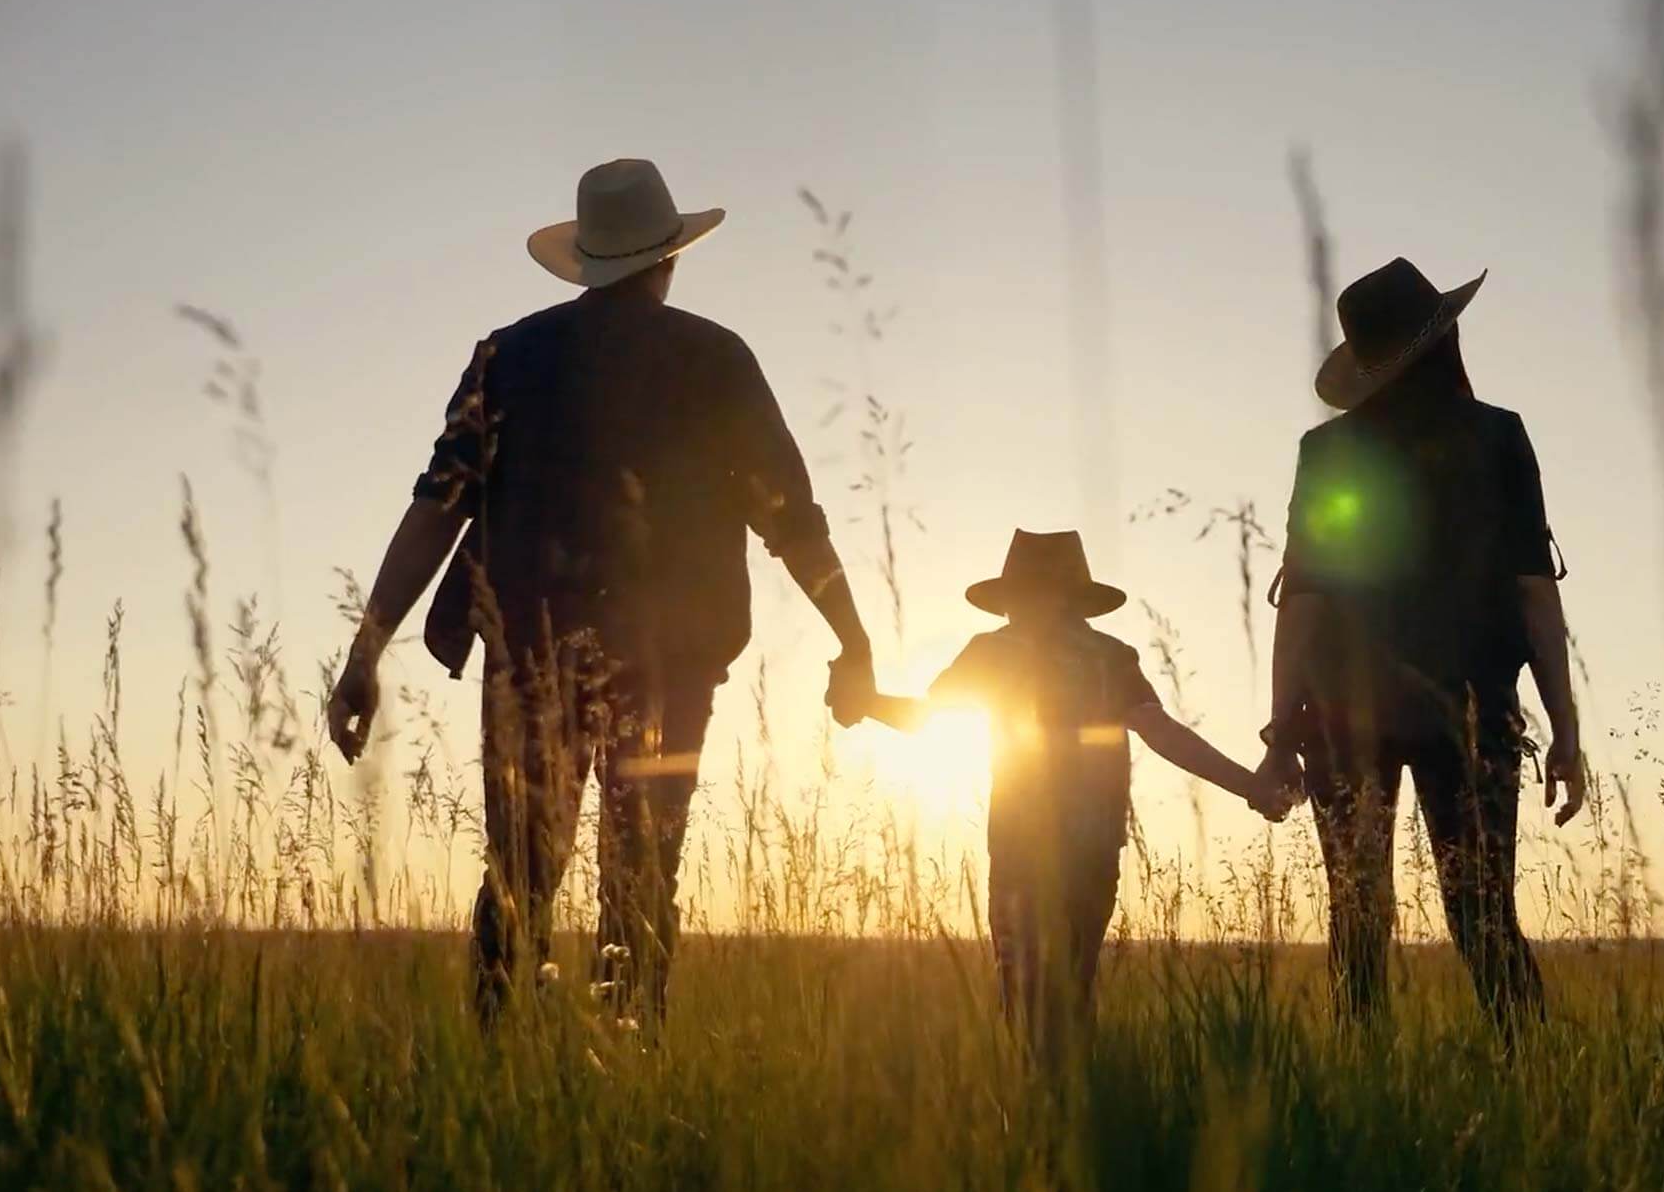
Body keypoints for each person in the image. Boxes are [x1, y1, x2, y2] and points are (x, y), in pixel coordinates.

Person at [325, 158, 876, 1030]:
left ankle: (501, 1074)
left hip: (529, 661)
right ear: (668, 259)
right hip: (671, 665)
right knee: (645, 876)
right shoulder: (716, 358)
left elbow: (438, 505)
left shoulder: (508, 356)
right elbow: (791, 518)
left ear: (589, 259)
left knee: (518, 874)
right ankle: (628, 1068)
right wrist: (855, 641)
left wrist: (365, 655)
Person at [1256, 258, 1585, 1034]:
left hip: (1343, 714)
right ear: (1445, 339)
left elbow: (1301, 600)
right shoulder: (1498, 436)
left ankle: (1363, 1093)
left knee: (1357, 919)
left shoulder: (1329, 451)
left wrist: (1279, 732)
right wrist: (1564, 729)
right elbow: (1536, 590)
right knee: (1483, 916)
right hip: (1469, 709)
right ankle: (1534, 1081)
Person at [844, 529, 1284, 1055]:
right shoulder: (1110, 656)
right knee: (1070, 991)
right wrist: (1249, 786)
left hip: (1024, 847)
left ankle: (1041, 1111)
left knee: (1027, 998)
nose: (1012, 612)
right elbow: (1161, 730)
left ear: (1033, 596)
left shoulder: (994, 651)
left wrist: (864, 702)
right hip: (1090, 848)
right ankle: (1073, 1103)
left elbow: (923, 718)